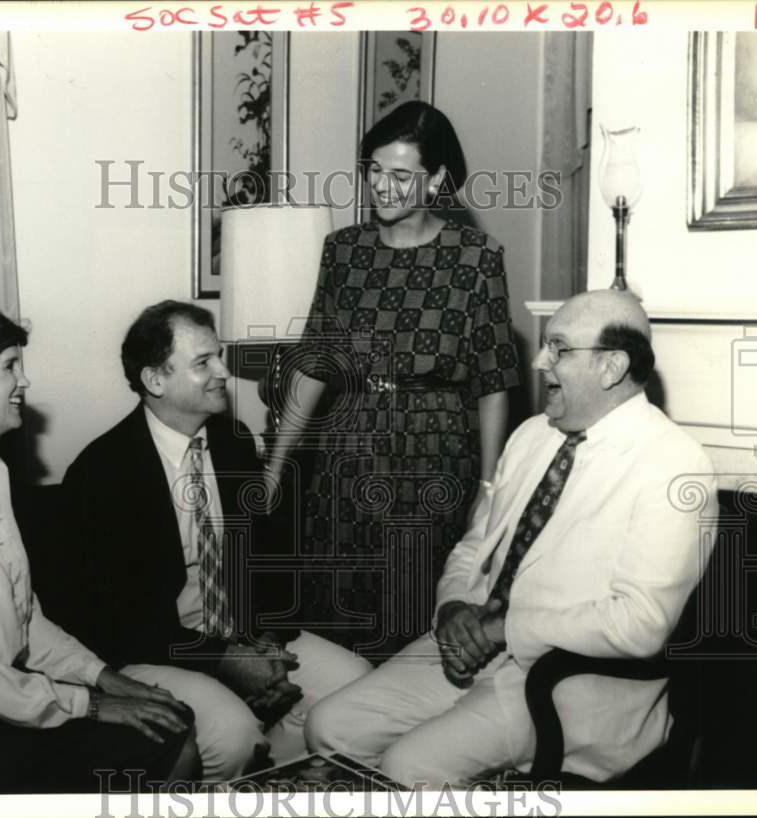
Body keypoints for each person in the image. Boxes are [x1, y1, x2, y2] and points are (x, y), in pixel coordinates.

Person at [305, 290, 718, 787]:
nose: (541, 362)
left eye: (560, 349)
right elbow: (474, 546)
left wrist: (504, 630)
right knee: (329, 728)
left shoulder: (674, 464)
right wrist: (453, 607)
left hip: (567, 685)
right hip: (469, 647)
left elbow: (641, 624)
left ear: (612, 366)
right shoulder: (530, 436)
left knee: (409, 769)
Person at [0, 307, 198, 794]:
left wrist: (103, 677)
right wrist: (88, 703)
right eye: (9, 366)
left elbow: (25, 620)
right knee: (166, 743)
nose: (25, 380)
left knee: (173, 723)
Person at [49, 301, 371, 782]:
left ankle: (270, 786)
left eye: (217, 355)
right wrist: (225, 661)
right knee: (233, 735)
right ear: (156, 380)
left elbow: (262, 560)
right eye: (204, 362)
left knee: (357, 686)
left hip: (239, 632)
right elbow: (114, 621)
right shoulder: (102, 473)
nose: (223, 371)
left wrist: (260, 643)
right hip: (156, 650)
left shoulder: (233, 441)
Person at [264, 100, 521, 659]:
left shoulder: (476, 258)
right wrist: (277, 462)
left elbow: (493, 378)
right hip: (347, 452)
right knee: (336, 609)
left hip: (434, 453)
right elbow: (315, 363)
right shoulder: (343, 251)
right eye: (374, 170)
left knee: (413, 615)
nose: (382, 186)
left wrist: (488, 487)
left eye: (401, 175)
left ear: (435, 182)